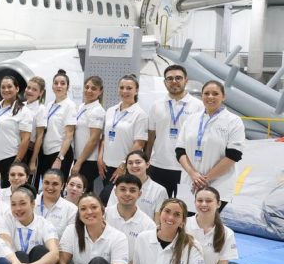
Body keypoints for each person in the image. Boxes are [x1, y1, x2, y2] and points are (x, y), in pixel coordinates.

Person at [176, 80, 245, 211]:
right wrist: (193, 174)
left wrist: (206, 179)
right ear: (202, 96)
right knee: (187, 224)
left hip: (218, 183)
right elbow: (180, 150)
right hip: (190, 181)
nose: (210, 97)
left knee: (208, 224)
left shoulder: (233, 121)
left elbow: (234, 155)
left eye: (215, 93)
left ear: (223, 96)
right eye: (206, 93)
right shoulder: (191, 119)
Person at [146, 64, 202, 198]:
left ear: (186, 80)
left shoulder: (198, 106)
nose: (174, 81)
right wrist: (147, 161)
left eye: (178, 78)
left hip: (186, 169)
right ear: (165, 82)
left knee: (184, 210)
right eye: (170, 79)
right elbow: (151, 137)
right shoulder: (156, 106)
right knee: (157, 208)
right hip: (158, 166)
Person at [98, 74, 148, 202]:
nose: (124, 91)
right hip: (106, 166)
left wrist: (124, 164)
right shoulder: (110, 110)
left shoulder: (140, 114)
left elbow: (139, 144)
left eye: (129, 88)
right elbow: (105, 137)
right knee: (110, 202)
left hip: (125, 168)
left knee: (107, 198)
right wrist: (100, 158)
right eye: (122, 87)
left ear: (136, 90)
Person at [34, 69, 77, 182]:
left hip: (59, 153)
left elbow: (69, 135)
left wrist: (59, 158)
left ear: (67, 87)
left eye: (62, 83)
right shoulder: (49, 105)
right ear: (52, 86)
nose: (59, 86)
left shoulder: (69, 106)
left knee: (56, 187)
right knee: (46, 186)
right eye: (56, 83)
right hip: (46, 152)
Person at [103, 173, 157, 259]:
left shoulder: (149, 225)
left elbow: (146, 256)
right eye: (123, 189)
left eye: (132, 190)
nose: (127, 194)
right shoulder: (102, 215)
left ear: (139, 194)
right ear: (115, 192)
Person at [70, 75, 105, 194]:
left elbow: (94, 139)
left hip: (89, 160)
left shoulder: (97, 111)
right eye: (87, 87)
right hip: (79, 157)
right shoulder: (82, 107)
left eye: (94, 88)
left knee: (84, 193)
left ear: (100, 91)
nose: (89, 90)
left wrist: (79, 162)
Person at [124, 150, 169, 219]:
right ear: (126, 166)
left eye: (138, 162)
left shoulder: (159, 190)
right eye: (130, 163)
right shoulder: (119, 187)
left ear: (147, 164)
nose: (134, 165)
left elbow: (159, 221)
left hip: (147, 229)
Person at [36, 169, 77, 234]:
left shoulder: (72, 210)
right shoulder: (30, 202)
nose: (50, 187)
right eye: (46, 183)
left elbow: (69, 239)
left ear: (62, 186)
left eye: (55, 184)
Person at [22, 76, 47, 175]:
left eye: (34, 89)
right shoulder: (20, 105)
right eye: (28, 88)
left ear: (40, 93)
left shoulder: (40, 109)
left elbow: (40, 136)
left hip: (30, 151)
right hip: (17, 148)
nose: (30, 91)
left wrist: (32, 161)